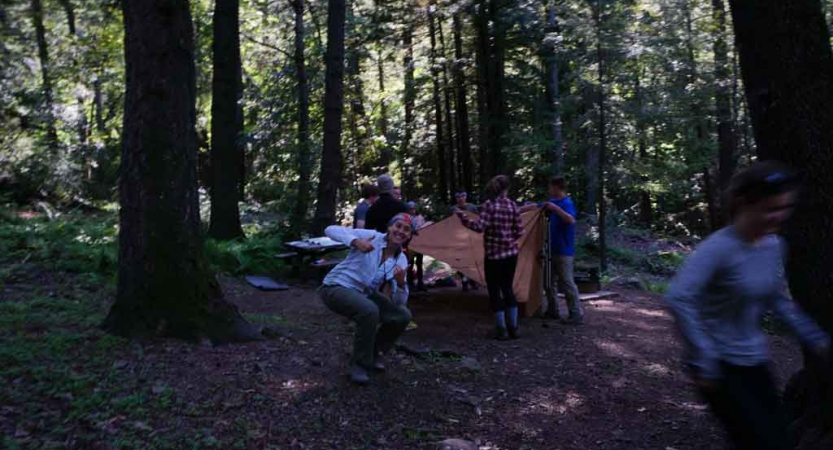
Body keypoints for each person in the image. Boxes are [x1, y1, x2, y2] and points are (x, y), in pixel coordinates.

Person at [665, 162, 831, 450]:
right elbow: (678, 296)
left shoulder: (774, 246)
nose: (778, 216)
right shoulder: (719, 248)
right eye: (770, 209)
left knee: (778, 437)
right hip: (719, 367)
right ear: (744, 203)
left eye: (784, 208)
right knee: (759, 441)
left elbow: (776, 298)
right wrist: (704, 356)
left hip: (754, 359)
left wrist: (817, 339)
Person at [318, 213, 415, 385]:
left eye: (406, 230)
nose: (401, 231)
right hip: (336, 286)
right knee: (370, 310)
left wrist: (400, 284)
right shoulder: (372, 236)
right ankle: (359, 365)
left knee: (403, 315)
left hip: (363, 292)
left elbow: (400, 302)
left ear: (409, 235)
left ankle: (374, 353)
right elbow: (330, 229)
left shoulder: (400, 259)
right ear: (389, 227)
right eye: (397, 226)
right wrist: (356, 242)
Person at [455, 175, 523, 340]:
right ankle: (514, 328)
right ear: (507, 188)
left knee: (494, 290)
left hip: (493, 256)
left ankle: (501, 329)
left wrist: (462, 217)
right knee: (508, 289)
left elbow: (479, 227)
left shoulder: (489, 205)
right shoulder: (513, 206)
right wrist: (509, 240)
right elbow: (520, 231)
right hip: (511, 255)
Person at [521, 176, 583, 324]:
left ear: (556, 187)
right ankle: (552, 310)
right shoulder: (552, 202)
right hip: (550, 250)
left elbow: (571, 220)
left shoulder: (566, 203)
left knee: (567, 282)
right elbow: (535, 206)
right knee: (548, 282)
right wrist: (513, 210)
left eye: (550, 187)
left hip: (564, 251)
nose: (549, 190)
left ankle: (576, 314)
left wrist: (556, 209)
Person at [451, 191, 479, 291]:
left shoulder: (472, 207)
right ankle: (464, 282)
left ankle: (473, 281)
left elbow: (478, 220)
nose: (461, 198)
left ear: (466, 197)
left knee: (472, 261)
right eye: (458, 197)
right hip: (458, 239)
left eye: (462, 196)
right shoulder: (453, 209)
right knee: (462, 261)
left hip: (471, 239)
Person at [405, 201, 426, 291]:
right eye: (410, 209)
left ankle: (420, 283)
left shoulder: (420, 218)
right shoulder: (406, 218)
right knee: (410, 264)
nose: (412, 210)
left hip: (419, 244)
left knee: (419, 264)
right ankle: (410, 283)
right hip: (410, 244)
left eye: (413, 208)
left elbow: (423, 228)